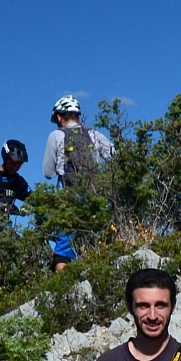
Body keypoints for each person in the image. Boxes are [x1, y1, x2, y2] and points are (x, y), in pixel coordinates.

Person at [42, 96, 114, 270]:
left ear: (59, 117)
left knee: (63, 249)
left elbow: (48, 173)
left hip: (70, 197)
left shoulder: (56, 135)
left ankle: (63, 290)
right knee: (92, 242)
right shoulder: (94, 134)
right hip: (96, 196)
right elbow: (115, 157)